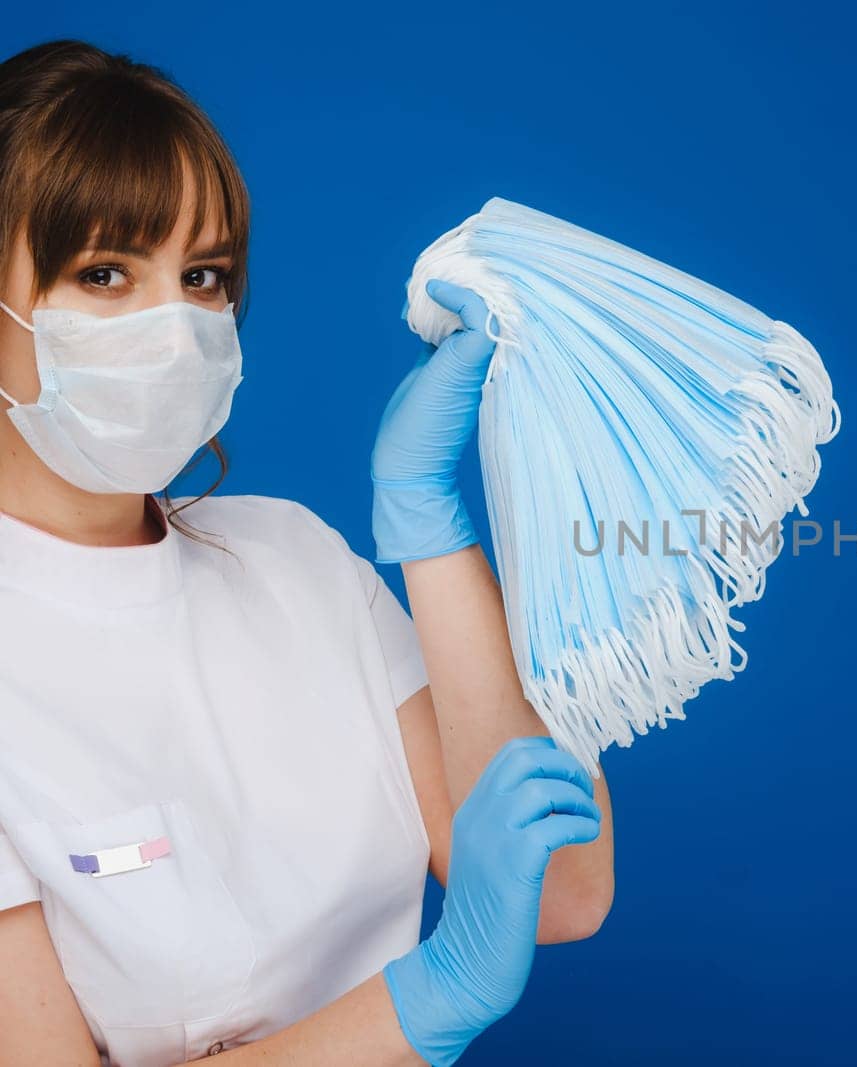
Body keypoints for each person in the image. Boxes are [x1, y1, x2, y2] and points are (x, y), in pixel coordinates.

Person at [0, 39, 615, 1067]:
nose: (172, 325)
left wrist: (428, 520)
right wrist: (431, 994)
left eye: (203, 276)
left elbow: (564, 887)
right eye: (103, 273)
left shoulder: (293, 556)